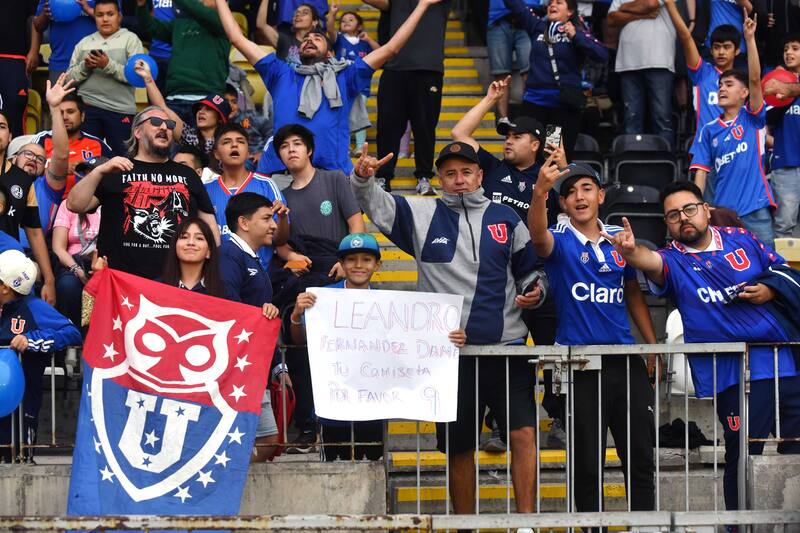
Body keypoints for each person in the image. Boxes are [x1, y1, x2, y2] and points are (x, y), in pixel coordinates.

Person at [351, 141, 546, 517]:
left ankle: (527, 524)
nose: (459, 180)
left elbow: (531, 271)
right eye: (450, 173)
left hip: (507, 349)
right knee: (460, 448)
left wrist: (534, 292)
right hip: (451, 358)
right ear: (439, 178)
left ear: (480, 176)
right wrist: (363, 177)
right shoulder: (420, 214)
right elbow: (374, 203)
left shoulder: (507, 217)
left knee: (524, 436)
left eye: (466, 172)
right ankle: (465, 524)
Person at [603, 180, 800, 511]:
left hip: (785, 362)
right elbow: (648, 260)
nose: (684, 218)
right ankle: (739, 524)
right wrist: (630, 252)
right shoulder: (673, 260)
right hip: (734, 374)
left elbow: (780, 270)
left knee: (795, 447)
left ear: (706, 210)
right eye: (673, 215)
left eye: (689, 209)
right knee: (741, 454)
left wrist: (770, 291)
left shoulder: (742, 239)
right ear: (666, 224)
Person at [529, 158, 657, 517]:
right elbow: (537, 237)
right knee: (587, 463)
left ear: (601, 194)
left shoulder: (621, 237)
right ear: (562, 204)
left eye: (587, 189)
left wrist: (651, 347)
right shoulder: (559, 238)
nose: (579, 197)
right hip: (580, 365)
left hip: (626, 360)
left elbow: (633, 293)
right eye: (569, 193)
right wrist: (540, 192)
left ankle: (645, 527)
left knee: (641, 457)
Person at [452, 78, 566, 448]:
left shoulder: (548, 176)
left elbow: (575, 207)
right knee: (500, 353)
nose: (508, 140)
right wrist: (489, 99)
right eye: (507, 135)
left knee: (550, 351)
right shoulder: (492, 169)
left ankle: (559, 419)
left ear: (536, 144)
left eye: (517, 136)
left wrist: (562, 170)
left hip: (541, 276)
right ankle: (499, 426)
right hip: (498, 279)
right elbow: (459, 133)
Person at [217, 0, 443, 177]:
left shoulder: (346, 76)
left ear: (329, 53)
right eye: (306, 39)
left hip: (331, 174)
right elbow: (237, 38)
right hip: (279, 172)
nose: (310, 39)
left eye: (318, 37)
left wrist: (422, 5)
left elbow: (392, 48)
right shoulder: (280, 73)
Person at [271, 124, 365, 452]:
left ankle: (349, 423)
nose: (292, 150)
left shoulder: (334, 180)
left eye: (298, 144)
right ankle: (308, 424)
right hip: (301, 277)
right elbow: (278, 242)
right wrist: (291, 255)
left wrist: (348, 258)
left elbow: (355, 224)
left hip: (337, 270)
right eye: (285, 146)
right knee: (303, 349)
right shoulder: (278, 193)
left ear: (309, 150)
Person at [66, 105, 220, 280]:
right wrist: (98, 171)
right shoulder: (117, 169)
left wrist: (212, 268)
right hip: (120, 281)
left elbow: (210, 225)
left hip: (175, 280)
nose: (164, 127)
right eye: (156, 122)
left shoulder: (187, 174)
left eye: (169, 124)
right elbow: (74, 204)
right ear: (137, 132)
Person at [689, 12, 775, 248]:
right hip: (723, 213)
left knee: (769, 269)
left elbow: (756, 79)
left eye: (729, 84)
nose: (722, 89)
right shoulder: (708, 129)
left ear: (744, 93)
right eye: (720, 85)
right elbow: (701, 173)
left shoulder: (753, 118)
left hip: (755, 208)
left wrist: (749, 39)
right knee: (729, 272)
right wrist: (698, 207)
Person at [218, 192, 287, 462]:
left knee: (268, 440)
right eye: (267, 218)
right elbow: (228, 305)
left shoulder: (251, 257)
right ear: (244, 223)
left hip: (253, 364)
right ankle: (222, 478)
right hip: (238, 365)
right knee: (266, 439)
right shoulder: (228, 253)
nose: (274, 225)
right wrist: (260, 314)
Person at [0, 249, 82, 463]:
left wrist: (31, 340)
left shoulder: (34, 307)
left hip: (21, 409)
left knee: (18, 461)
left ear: (5, 288)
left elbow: (72, 332)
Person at [502, 0, 607, 159]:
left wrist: (575, 35)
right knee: (526, 153)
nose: (553, 5)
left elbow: (602, 55)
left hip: (561, 106)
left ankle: (551, 184)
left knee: (552, 155)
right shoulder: (537, 26)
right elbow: (515, 5)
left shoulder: (577, 31)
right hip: (535, 103)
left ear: (570, 12)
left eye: (559, 2)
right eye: (550, 2)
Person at [664, 0, 741, 202]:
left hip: (737, 149)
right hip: (707, 149)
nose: (721, 52)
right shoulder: (703, 74)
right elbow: (685, 37)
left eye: (726, 47)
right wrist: (671, 6)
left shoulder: (744, 82)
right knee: (708, 209)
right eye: (716, 47)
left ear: (737, 51)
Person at [374, 0, 452, 194]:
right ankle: (383, 176)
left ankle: (424, 176)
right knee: (388, 126)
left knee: (425, 126)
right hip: (394, 69)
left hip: (428, 70)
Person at [205, 122, 291, 269]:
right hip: (217, 275)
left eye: (240, 141)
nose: (234, 146)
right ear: (216, 153)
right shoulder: (206, 189)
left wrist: (282, 218)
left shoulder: (266, 185)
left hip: (258, 275)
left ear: (248, 151)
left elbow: (279, 240)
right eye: (227, 142)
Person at [66, 0, 144, 155]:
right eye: (100, 15)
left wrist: (107, 65)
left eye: (110, 14)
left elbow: (137, 76)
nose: (105, 19)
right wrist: (85, 66)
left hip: (120, 110)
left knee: (125, 159)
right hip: (89, 108)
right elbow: (69, 79)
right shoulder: (84, 43)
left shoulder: (131, 39)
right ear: (94, 17)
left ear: (120, 17)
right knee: (87, 160)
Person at [136, 0, 230, 126]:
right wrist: (141, 5)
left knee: (205, 145)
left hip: (207, 100)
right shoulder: (180, 24)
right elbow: (150, 26)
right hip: (175, 99)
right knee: (171, 145)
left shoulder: (224, 23)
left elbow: (196, 9)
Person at [608, 0, 676, 147]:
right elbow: (611, 19)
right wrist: (637, 14)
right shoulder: (546, 28)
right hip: (628, 62)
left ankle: (665, 164)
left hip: (659, 60)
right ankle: (631, 163)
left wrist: (625, 8)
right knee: (631, 118)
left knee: (662, 118)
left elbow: (651, 4)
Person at [33, 92, 114, 196]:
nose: (65, 117)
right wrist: (59, 169)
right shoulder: (42, 139)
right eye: (60, 113)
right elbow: (26, 171)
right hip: (47, 201)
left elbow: (114, 176)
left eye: (70, 112)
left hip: (86, 204)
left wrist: (90, 170)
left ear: (82, 116)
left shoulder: (97, 143)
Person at [326, 4, 378, 155]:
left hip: (361, 86)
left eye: (351, 19)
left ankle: (360, 146)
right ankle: (345, 145)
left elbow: (380, 51)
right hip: (341, 84)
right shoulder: (340, 39)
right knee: (342, 115)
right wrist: (333, 13)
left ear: (360, 25)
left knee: (359, 114)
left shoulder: (364, 43)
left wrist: (368, 39)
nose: (346, 22)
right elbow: (330, 28)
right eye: (343, 21)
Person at [486, 0, 537, 126]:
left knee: (529, 73)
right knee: (501, 74)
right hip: (498, 19)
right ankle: (503, 120)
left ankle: (528, 119)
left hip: (528, 15)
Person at [769, 35, 800, 239]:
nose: (789, 52)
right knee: (785, 227)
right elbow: (766, 117)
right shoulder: (774, 82)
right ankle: (787, 272)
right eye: (786, 49)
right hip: (786, 163)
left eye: (795, 48)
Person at [160, 216, 228, 297]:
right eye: (184, 237)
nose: (191, 242)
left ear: (209, 252)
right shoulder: (157, 287)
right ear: (175, 247)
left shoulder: (223, 291)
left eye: (199, 238)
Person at [33, 0, 97, 83]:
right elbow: (38, 27)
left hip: (94, 62)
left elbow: (116, 19)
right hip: (61, 63)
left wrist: (88, 9)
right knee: (58, 96)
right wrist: (45, 13)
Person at [0, 1, 39, 138]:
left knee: (15, 108)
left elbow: (36, 17)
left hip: (14, 56)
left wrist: (34, 50)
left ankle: (16, 154)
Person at [256, 0, 322, 66]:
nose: (298, 15)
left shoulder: (319, 45)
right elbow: (261, 24)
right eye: (296, 13)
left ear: (314, 22)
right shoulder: (284, 40)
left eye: (304, 13)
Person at [223, 84, 273, 167]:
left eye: (234, 102)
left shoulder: (249, 117)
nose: (230, 106)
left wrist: (263, 153)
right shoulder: (217, 123)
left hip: (254, 160)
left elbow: (271, 132)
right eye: (226, 102)